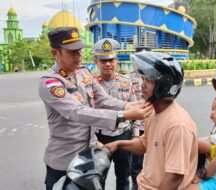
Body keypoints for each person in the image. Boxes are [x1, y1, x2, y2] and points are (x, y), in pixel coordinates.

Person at [38, 27, 153, 190]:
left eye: (79, 51)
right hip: (64, 159)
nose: (78, 56)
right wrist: (124, 115)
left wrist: (130, 105)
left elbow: (103, 98)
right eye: (72, 52)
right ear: (54, 53)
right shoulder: (50, 83)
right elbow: (77, 112)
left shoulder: (83, 73)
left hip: (88, 156)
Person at [105, 51, 198, 189]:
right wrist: (117, 144)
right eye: (143, 79)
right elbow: (145, 144)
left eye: (148, 80)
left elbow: (174, 177)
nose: (142, 85)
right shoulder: (153, 110)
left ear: (164, 87)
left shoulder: (177, 125)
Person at [92, 38, 139, 190]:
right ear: (96, 61)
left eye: (111, 60)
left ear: (116, 60)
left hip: (122, 135)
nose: (107, 64)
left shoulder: (126, 81)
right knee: (98, 177)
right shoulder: (90, 84)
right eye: (103, 60)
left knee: (123, 177)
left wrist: (136, 135)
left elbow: (135, 111)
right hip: (100, 137)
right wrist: (92, 139)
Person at [127, 46, 151, 190]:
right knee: (135, 164)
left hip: (152, 125)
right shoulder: (129, 78)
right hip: (137, 127)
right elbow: (129, 104)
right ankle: (136, 186)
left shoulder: (155, 77)